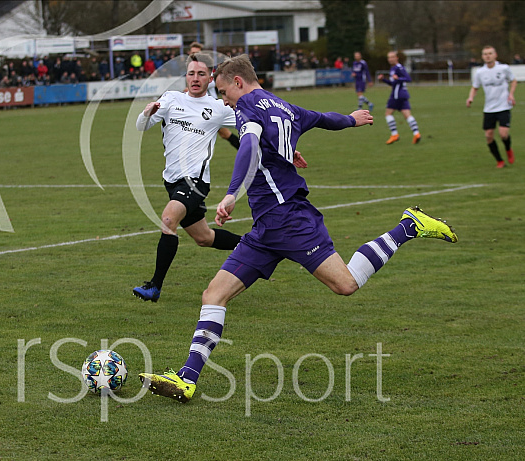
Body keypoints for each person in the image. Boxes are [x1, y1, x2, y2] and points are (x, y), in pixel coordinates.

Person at [139, 54, 458, 402]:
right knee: (213, 295)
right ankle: (187, 378)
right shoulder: (283, 106)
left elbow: (247, 145)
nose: (224, 100)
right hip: (265, 228)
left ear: (238, 82)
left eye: (223, 91)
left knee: (346, 284)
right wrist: (350, 120)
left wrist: (232, 194)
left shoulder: (248, 107)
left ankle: (408, 227)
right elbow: (323, 118)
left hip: (289, 219)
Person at [132, 53, 243, 303]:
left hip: (196, 181)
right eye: (191, 73)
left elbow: (249, 123)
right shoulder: (172, 99)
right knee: (204, 238)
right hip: (171, 181)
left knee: (169, 218)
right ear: (186, 76)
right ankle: (256, 245)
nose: (195, 78)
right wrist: (148, 112)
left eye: (201, 74)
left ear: (210, 78)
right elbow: (141, 126)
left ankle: (154, 287)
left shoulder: (218, 108)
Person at [466, 45, 517, 168]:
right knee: (488, 136)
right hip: (489, 108)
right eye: (485, 54)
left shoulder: (504, 68)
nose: (487, 56)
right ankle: (500, 160)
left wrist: (511, 94)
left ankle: (508, 149)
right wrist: (471, 97)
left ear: (495, 55)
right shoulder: (480, 72)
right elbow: (475, 87)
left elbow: (513, 80)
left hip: (504, 106)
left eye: (490, 53)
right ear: (482, 57)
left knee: (503, 134)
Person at [189, 42, 241, 150]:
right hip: (201, 107)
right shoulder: (191, 68)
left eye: (196, 52)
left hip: (214, 106)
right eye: (192, 52)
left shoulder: (207, 67)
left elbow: (214, 81)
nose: (194, 54)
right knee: (224, 134)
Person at [378, 51, 421, 145]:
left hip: (397, 95)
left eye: (392, 57)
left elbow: (408, 79)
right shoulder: (393, 68)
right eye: (389, 57)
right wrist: (384, 80)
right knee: (407, 115)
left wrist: (399, 79)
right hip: (402, 94)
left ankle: (394, 134)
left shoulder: (399, 68)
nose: (390, 59)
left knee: (388, 114)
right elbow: (393, 83)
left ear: (397, 58)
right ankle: (416, 133)